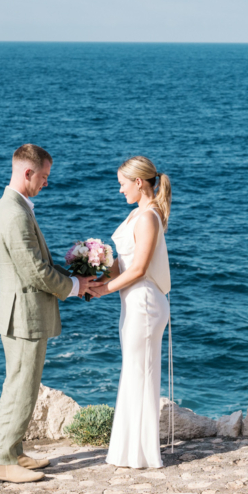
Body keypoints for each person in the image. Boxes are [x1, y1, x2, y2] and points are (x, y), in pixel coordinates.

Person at [0, 143, 101, 483]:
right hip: (24, 314)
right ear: (27, 173)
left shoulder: (15, 208)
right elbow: (35, 271)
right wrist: (76, 287)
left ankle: (14, 451)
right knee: (22, 386)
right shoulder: (15, 213)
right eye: (44, 176)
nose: (46, 183)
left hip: (21, 311)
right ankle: (3, 460)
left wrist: (73, 275)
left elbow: (38, 264)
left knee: (23, 383)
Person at [87, 155, 172, 470]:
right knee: (134, 372)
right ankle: (128, 451)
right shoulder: (139, 214)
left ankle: (143, 453)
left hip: (145, 303)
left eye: (123, 184)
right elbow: (123, 265)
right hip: (133, 302)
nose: (120, 190)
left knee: (142, 373)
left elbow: (139, 268)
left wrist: (103, 290)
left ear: (139, 182)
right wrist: (94, 266)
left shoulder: (148, 217)